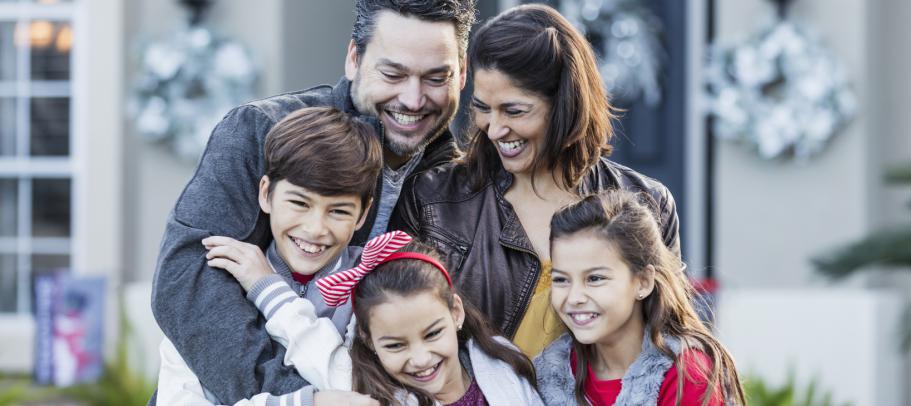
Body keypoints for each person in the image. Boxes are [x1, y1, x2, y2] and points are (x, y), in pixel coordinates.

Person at [150, 0, 476, 402]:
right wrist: (301, 398)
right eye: (393, 73)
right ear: (354, 59)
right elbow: (186, 284)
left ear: (461, 74)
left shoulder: (459, 187)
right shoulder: (262, 131)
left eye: (435, 77)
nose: (413, 99)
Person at [392, 3, 681, 359]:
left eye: (515, 111)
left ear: (566, 105)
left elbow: (667, 346)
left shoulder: (646, 203)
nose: (495, 129)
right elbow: (395, 336)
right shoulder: (432, 201)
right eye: (483, 107)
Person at [156, 107, 383, 405]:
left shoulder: (374, 285)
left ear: (363, 213)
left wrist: (270, 292)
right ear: (266, 194)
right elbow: (178, 397)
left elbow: (360, 391)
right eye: (300, 203)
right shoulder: (217, 278)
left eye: (338, 211)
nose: (316, 229)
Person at [245, 231, 544, 405]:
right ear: (368, 338)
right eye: (395, 346)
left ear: (455, 312)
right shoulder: (365, 389)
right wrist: (263, 282)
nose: (420, 358)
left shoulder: (501, 363)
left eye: (432, 334)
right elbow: (305, 336)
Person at [534, 190, 746, 406]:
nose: (574, 297)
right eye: (561, 280)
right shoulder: (548, 374)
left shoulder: (687, 375)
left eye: (595, 278)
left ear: (643, 281)